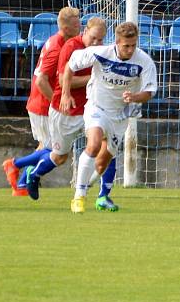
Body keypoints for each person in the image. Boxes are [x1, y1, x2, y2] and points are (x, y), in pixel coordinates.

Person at [51, 22, 157, 213]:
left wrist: (134, 97)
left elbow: (149, 91)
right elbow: (70, 66)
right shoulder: (100, 52)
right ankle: (78, 197)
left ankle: (91, 186)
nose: (130, 49)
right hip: (97, 107)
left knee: (102, 162)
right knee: (93, 144)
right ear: (117, 42)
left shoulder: (144, 61)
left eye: (133, 45)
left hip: (120, 115)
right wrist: (65, 93)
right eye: (126, 45)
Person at [24, 18, 119, 210]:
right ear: (85, 32)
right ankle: (34, 174)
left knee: (109, 147)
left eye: (100, 40)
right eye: (93, 38)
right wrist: (92, 79)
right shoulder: (70, 47)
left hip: (91, 109)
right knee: (59, 156)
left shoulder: (102, 51)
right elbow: (64, 79)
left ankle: (103, 197)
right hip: (66, 110)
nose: (96, 44)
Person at [2, 6, 80, 197]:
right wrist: (58, 101)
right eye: (77, 23)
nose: (80, 26)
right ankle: (14, 166)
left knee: (49, 148)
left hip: (44, 104)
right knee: (55, 151)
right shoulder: (56, 46)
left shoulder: (61, 41)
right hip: (44, 105)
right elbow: (41, 80)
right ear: (67, 27)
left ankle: (21, 184)